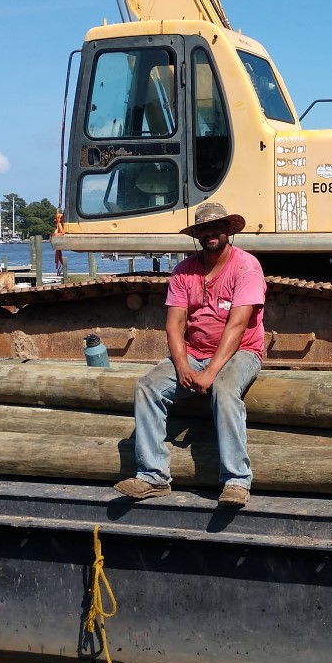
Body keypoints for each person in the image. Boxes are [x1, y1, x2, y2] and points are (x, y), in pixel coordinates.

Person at [114, 202, 266, 507]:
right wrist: (183, 365)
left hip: (242, 351)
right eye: (203, 228)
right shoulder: (184, 271)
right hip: (195, 353)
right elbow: (175, 324)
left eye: (216, 227)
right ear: (196, 234)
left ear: (228, 231)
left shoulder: (246, 266)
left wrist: (211, 373)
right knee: (147, 385)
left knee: (224, 388)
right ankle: (153, 475)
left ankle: (236, 480)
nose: (210, 232)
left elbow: (237, 326)